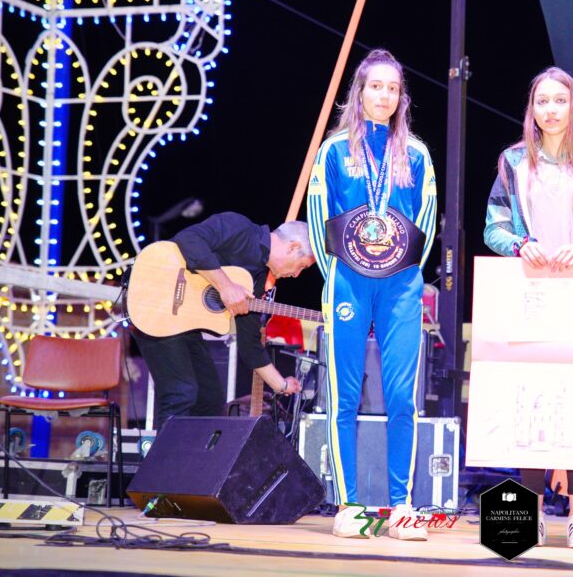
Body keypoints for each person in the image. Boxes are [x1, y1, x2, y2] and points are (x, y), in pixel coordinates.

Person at [485, 66, 573, 549]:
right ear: (532, 109)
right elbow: (493, 227)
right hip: (531, 295)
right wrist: (519, 244)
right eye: (542, 101)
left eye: (559, 100)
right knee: (530, 400)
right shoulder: (513, 161)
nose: (550, 109)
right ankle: (528, 515)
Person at [307, 49, 437, 541]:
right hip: (348, 282)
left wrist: (405, 273)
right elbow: (318, 216)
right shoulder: (334, 150)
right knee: (344, 395)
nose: (384, 95)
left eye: (393, 88)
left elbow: (426, 220)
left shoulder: (416, 153)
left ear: (402, 97)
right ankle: (350, 505)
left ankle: (401, 506)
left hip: (401, 285)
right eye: (376, 86)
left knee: (402, 397)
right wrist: (336, 274)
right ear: (359, 92)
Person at [133, 214, 314, 431]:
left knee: (209, 398)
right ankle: (165, 454)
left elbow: (250, 344)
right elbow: (189, 239)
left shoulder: (255, 281)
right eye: (301, 266)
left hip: (181, 326)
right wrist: (225, 286)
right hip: (155, 303)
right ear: (293, 247)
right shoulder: (240, 228)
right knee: (181, 392)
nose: (296, 274)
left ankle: (192, 453)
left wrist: (281, 385)